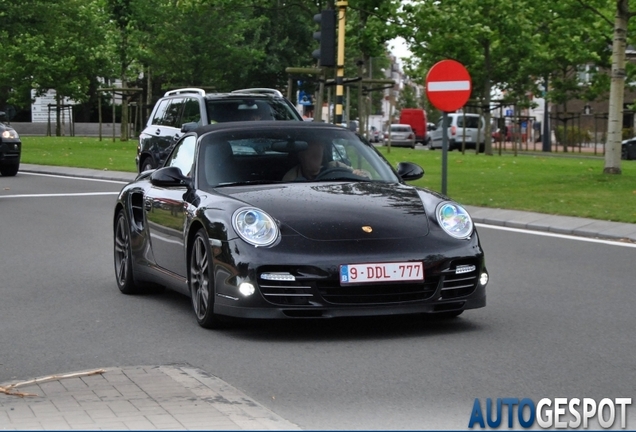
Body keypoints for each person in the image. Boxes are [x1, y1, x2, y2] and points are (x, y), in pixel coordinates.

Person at [282, 140, 369, 181]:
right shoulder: (291, 177)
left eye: (317, 155)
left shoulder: (335, 166)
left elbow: (366, 175)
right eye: (312, 154)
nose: (317, 150)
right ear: (301, 155)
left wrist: (358, 173)